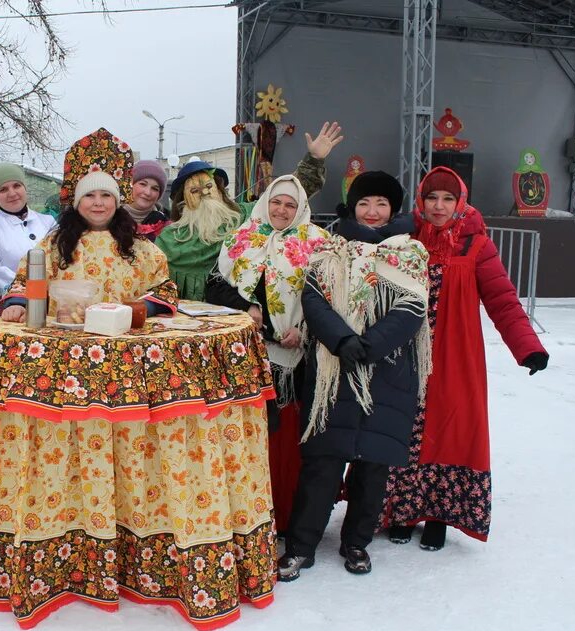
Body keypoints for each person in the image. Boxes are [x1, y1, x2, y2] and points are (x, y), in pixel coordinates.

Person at [381, 166, 549, 550]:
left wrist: (528, 347)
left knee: (451, 429)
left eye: (447, 199)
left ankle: (440, 515)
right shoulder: (403, 240)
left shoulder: (476, 246)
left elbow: (502, 299)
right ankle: (402, 510)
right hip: (404, 354)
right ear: (420, 201)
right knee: (402, 429)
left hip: (455, 355)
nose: (439, 207)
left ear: (460, 203)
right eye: (431, 198)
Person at [278, 171, 432, 580]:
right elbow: (313, 297)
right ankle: (300, 546)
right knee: (322, 464)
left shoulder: (412, 253)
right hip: (333, 367)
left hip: (389, 370)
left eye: (381, 203)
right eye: (364, 203)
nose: (372, 211)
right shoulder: (331, 248)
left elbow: (413, 308)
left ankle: (356, 543)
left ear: (393, 209)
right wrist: (343, 341)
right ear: (353, 207)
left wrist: (372, 345)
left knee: (373, 466)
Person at [205, 175, 329, 533]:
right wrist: (245, 306)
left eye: (290, 205)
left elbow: (328, 297)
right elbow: (216, 287)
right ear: (265, 203)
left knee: (282, 441)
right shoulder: (241, 238)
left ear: (301, 209)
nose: (281, 210)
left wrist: (304, 330)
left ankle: (283, 518)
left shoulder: (318, 244)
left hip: (291, 357)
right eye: (276, 202)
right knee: (245, 437)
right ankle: (244, 518)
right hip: (243, 355)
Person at [0, 128, 177, 322]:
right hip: (66, 339)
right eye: (89, 195)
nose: (98, 203)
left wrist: (144, 307)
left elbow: (164, 288)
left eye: (106, 195)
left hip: (121, 339)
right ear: (77, 202)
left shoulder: (138, 246)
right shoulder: (55, 243)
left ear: (117, 201)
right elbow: (26, 280)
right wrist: (17, 303)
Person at [155, 122, 343, 301]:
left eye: (209, 186)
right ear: (182, 200)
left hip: (239, 314)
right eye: (194, 191)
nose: (204, 193)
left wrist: (314, 159)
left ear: (220, 191)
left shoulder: (246, 216)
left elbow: (286, 194)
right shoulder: (169, 239)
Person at [0, 163, 56, 299]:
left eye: (17, 186)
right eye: (3, 189)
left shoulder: (48, 222)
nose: (12, 193)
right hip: (12, 301)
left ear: (25, 188)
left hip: (51, 298)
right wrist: (28, 288)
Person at [123, 159, 170, 241]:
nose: (148, 192)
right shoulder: (110, 219)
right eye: (143, 184)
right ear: (130, 185)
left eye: (155, 189)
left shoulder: (168, 226)